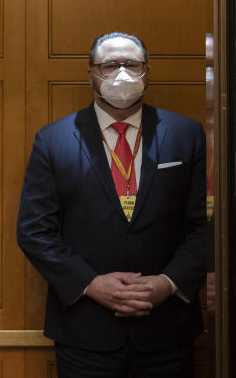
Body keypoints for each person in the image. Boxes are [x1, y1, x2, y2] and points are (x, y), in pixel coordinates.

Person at [16, 31, 207, 378]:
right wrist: (91, 284)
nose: (122, 74)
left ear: (147, 70)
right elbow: (34, 231)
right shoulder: (53, 139)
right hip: (85, 331)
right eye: (109, 65)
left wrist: (167, 282)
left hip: (166, 330)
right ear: (91, 72)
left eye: (131, 64)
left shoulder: (186, 134)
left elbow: (204, 227)